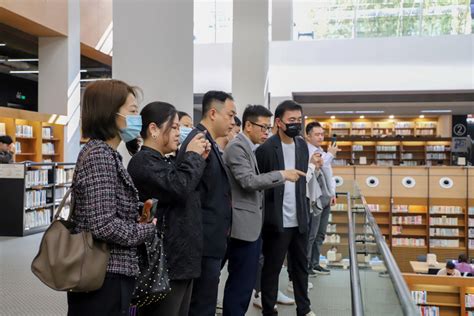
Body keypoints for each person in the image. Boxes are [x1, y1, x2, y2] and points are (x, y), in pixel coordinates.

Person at [67, 80, 157, 315]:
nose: (138, 118)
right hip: (104, 275)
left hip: (108, 272)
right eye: (133, 111)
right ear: (110, 113)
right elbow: (103, 225)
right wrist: (145, 231)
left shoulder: (106, 153)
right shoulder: (100, 156)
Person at [222, 105, 306, 316]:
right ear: (248, 125)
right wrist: (282, 175)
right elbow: (250, 182)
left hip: (255, 225)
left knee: (244, 283)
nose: (266, 132)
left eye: (268, 127)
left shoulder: (251, 147)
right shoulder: (240, 147)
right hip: (245, 226)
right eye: (263, 127)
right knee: (242, 283)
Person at [127, 102, 210, 316]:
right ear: (153, 129)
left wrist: (197, 158)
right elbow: (179, 187)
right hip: (165, 264)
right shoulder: (142, 162)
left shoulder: (164, 161)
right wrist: (192, 156)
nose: (179, 133)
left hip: (180, 261)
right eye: (174, 127)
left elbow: (186, 186)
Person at [177, 90, 236, 316]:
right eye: (230, 115)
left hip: (211, 240)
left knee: (204, 301)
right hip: (202, 241)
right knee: (201, 305)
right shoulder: (198, 142)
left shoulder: (207, 141)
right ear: (213, 113)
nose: (232, 122)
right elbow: (191, 191)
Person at [255, 100, 315, 316]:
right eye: (291, 120)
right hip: (275, 220)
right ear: (279, 122)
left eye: (299, 120)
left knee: (301, 268)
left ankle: (304, 309)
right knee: (271, 270)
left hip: (300, 218)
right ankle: (269, 310)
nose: (296, 125)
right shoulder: (265, 149)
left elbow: (302, 181)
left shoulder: (301, 146)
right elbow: (257, 182)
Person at [305, 121, 339, 275]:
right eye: (317, 134)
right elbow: (321, 165)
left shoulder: (320, 150)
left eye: (322, 134)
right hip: (314, 198)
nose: (320, 137)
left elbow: (328, 173)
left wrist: (332, 193)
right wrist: (330, 154)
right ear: (308, 135)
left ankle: (315, 262)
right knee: (311, 234)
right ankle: (306, 266)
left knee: (320, 234)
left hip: (325, 197)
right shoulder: (306, 151)